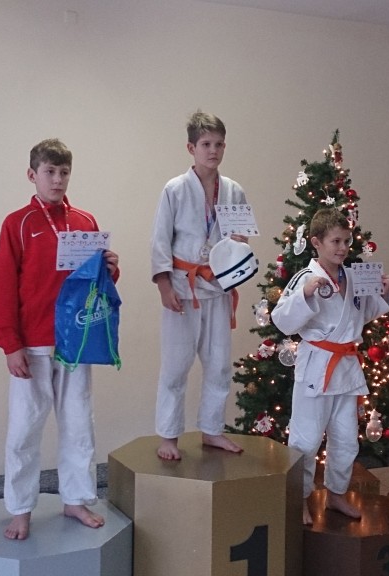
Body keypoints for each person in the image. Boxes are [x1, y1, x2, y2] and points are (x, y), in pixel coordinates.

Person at [0, 138, 120, 540]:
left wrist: (111, 268)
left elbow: (94, 283)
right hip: (32, 342)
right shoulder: (17, 224)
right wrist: (10, 344)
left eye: (64, 172)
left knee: (79, 423)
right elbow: (3, 287)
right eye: (49, 172)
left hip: (75, 341)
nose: (58, 179)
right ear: (32, 174)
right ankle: (20, 508)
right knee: (24, 430)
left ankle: (76, 499)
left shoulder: (85, 221)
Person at [271, 208, 389, 525]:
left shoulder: (353, 276)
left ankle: (336, 494)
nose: (342, 248)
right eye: (335, 241)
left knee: (346, 439)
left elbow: (363, 313)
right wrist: (305, 295)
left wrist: (383, 292)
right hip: (317, 367)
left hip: (347, 368)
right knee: (306, 439)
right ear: (316, 242)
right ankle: (298, 499)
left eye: (346, 241)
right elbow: (282, 321)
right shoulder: (304, 278)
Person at [150, 110, 250, 460]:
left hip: (218, 287)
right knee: (176, 365)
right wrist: (164, 286)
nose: (213, 151)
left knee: (219, 363)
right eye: (206, 144)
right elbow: (160, 240)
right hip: (183, 286)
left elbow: (242, 239)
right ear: (191, 148)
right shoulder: (175, 189)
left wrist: (240, 243)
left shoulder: (234, 190)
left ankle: (212, 429)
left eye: (219, 144)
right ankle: (168, 435)